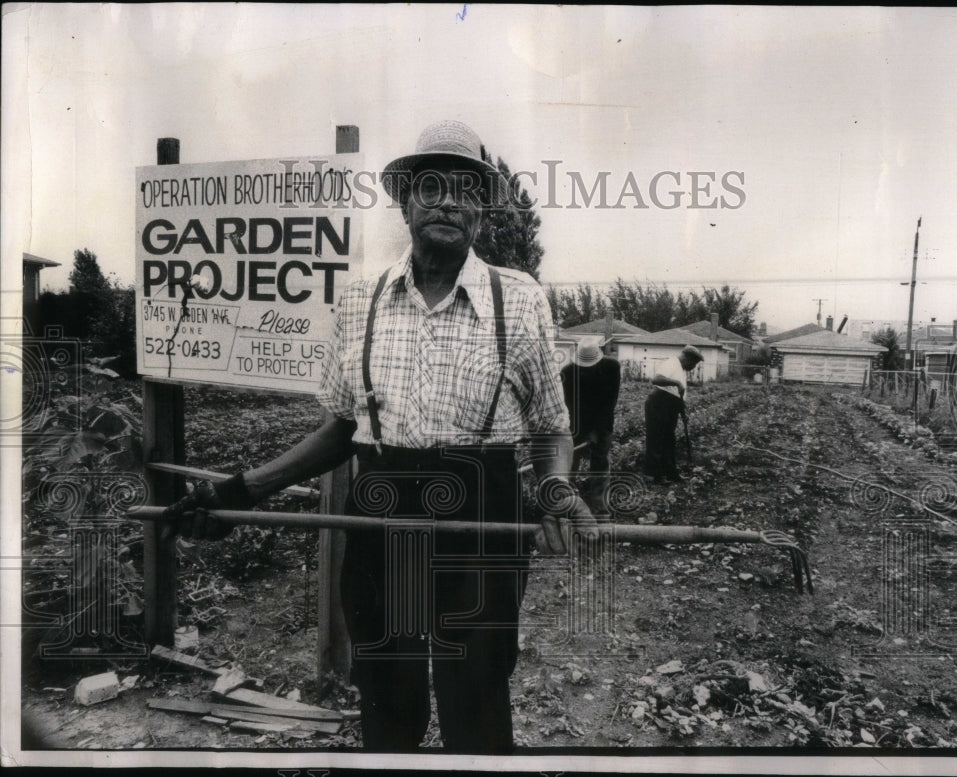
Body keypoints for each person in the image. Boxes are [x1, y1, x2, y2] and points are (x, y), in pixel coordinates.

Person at [163, 119, 597, 754]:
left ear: (481, 211)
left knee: (476, 696)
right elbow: (344, 427)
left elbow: (551, 428)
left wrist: (555, 485)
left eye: (464, 189)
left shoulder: (521, 298)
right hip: (381, 509)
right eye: (431, 186)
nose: (447, 200)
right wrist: (241, 490)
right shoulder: (360, 298)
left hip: (481, 513)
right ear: (405, 202)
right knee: (387, 696)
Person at [559, 335, 620, 515]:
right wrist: (577, 433)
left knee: (600, 463)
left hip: (603, 421)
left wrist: (597, 432)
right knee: (570, 462)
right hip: (576, 422)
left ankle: (599, 506)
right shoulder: (568, 372)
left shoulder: (611, 368)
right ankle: (568, 504)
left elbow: (609, 403)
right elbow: (569, 405)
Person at [644, 344, 703, 483]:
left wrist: (682, 410)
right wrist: (676, 382)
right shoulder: (672, 363)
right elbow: (656, 379)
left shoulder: (680, 368)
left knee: (669, 440)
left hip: (670, 405)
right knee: (657, 439)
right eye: (694, 363)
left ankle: (670, 473)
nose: (693, 367)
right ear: (687, 358)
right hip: (659, 403)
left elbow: (678, 395)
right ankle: (653, 475)